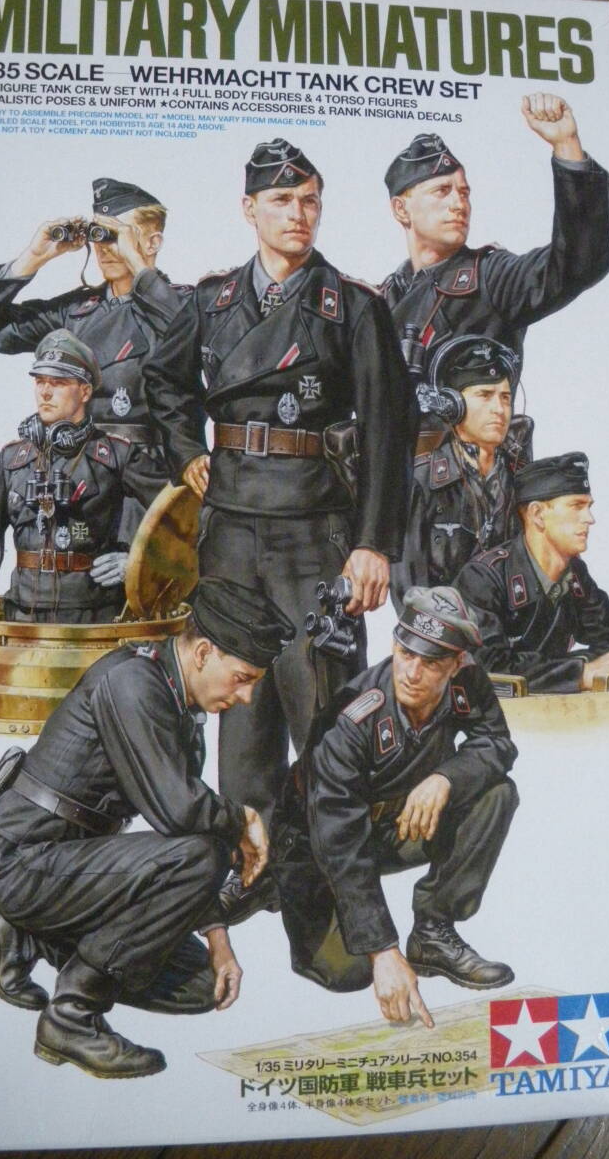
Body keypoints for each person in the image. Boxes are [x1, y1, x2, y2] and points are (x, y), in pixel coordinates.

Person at [145, 138, 409, 825]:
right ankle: (248, 857)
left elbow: (388, 430)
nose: (299, 214)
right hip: (229, 528)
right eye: (283, 200)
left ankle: (332, 864)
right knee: (241, 707)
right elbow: (163, 381)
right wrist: (185, 450)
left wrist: (373, 544)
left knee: (322, 702)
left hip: (314, 530)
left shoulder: (353, 307)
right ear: (249, 209)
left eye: (310, 201)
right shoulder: (211, 301)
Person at [0, 576, 295, 1078]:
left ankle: (30, 934)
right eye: (242, 678)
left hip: (74, 872)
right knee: (204, 856)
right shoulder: (133, 683)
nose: (248, 697)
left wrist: (219, 942)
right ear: (204, 653)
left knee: (198, 989)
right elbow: (181, 814)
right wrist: (243, 819)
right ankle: (70, 1016)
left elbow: (182, 833)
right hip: (28, 864)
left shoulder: (178, 704)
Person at [270, 586, 518, 1025]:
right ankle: (269, 889)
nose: (412, 673)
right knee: (348, 972)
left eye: (431, 662)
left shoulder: (467, 680)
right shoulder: (351, 718)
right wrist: (383, 950)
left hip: (391, 827)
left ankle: (433, 933)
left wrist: (446, 778)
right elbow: (338, 841)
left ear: (456, 663)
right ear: (394, 644)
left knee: (496, 793)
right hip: (316, 847)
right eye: (405, 654)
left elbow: (497, 743)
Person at [0, 178, 189, 540]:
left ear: (152, 242)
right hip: (77, 482)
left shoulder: (184, 305)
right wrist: (34, 257)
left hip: (146, 488)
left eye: (117, 236)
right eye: (99, 235)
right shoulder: (75, 313)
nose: (105, 248)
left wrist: (140, 265)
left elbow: (190, 338)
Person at [380, 94, 609, 389]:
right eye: (442, 191)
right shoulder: (381, 298)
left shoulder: (491, 277)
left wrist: (566, 145)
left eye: (464, 193)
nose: (459, 204)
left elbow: (579, 263)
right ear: (401, 210)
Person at [0, 329, 160, 628]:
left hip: (97, 619)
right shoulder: (12, 459)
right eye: (40, 382)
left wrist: (141, 564)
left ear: (85, 392)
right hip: (22, 616)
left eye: (59, 383)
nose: (45, 393)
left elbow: (183, 516)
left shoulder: (117, 455)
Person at [454, 453, 609, 692]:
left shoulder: (575, 574)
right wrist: (579, 672)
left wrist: (575, 667)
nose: (590, 519)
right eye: (577, 506)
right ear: (537, 514)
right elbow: (488, 667)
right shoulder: (482, 578)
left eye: (589, 507)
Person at [391, 334, 531, 609]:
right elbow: (408, 592)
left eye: (505, 397)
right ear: (452, 405)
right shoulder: (419, 482)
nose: (499, 409)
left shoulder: (523, 479)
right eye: (485, 395)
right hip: (444, 629)